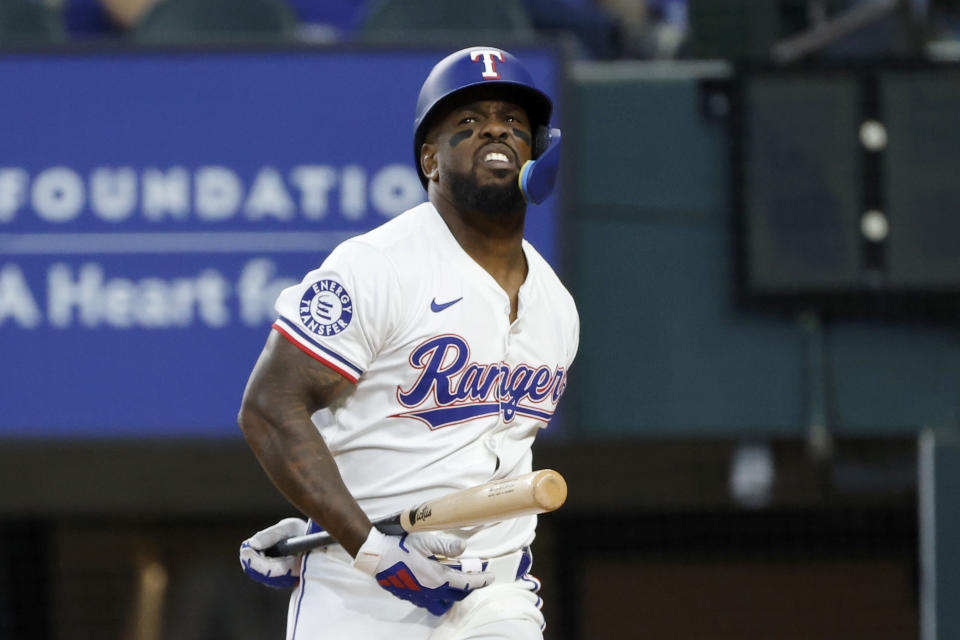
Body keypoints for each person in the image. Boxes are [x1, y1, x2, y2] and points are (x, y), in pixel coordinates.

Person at [236, 46, 579, 640]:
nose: (495, 127)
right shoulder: (377, 266)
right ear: (430, 160)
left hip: (492, 588)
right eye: (467, 123)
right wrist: (363, 544)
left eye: (512, 121)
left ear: (535, 153)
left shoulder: (558, 308)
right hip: (360, 589)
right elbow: (268, 408)